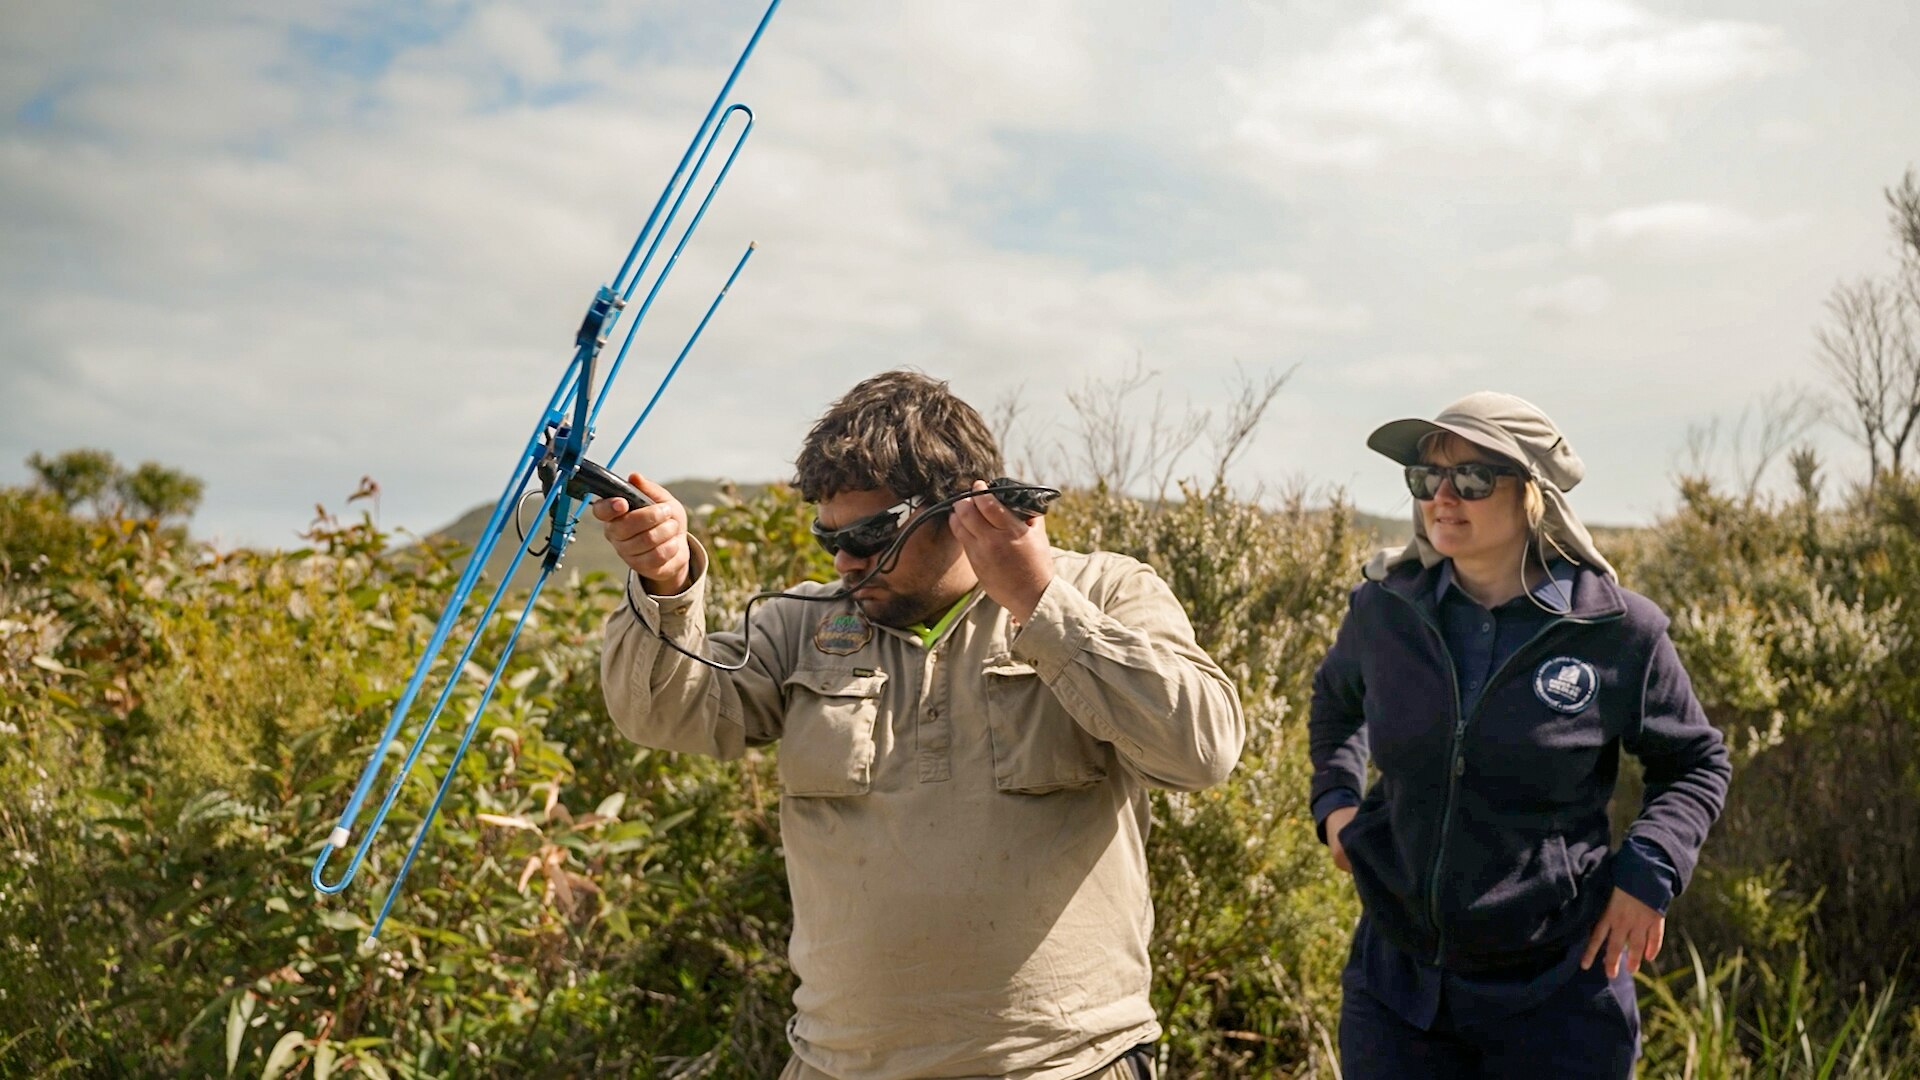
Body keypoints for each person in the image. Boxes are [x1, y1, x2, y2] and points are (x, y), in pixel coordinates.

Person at [594, 370, 1245, 1080]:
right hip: (839, 1065)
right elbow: (661, 712)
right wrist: (665, 582)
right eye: (829, 537)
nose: (846, 561)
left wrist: (1041, 604)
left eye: (872, 535)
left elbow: (1203, 751)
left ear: (964, 508)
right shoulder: (799, 625)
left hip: (1068, 1065)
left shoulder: (1107, 592)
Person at [1308, 392, 1731, 1078]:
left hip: (1559, 998)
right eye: (1426, 478)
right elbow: (1334, 704)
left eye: (1471, 478)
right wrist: (1335, 805)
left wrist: (1648, 872)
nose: (1442, 496)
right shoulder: (1384, 609)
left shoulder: (1619, 631)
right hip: (1398, 987)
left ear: (1534, 495)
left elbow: (1694, 761)